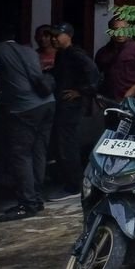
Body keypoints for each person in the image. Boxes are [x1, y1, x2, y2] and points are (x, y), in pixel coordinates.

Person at [0, 23, 55, 221]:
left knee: (21, 154)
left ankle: (27, 203)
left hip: (24, 108)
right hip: (47, 104)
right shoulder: (28, 50)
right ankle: (37, 198)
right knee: (38, 151)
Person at [49, 23, 100, 201]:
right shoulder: (62, 54)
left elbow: (95, 75)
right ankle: (68, 181)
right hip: (61, 105)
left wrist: (81, 91)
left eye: (57, 35)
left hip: (71, 107)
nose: (53, 39)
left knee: (67, 146)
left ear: (68, 35)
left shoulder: (76, 54)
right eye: (52, 36)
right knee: (61, 145)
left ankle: (74, 185)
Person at [94, 16, 135, 102]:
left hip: (133, 99)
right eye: (116, 29)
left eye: (123, 29)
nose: (120, 33)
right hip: (108, 99)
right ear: (110, 31)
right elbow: (96, 75)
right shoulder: (103, 52)